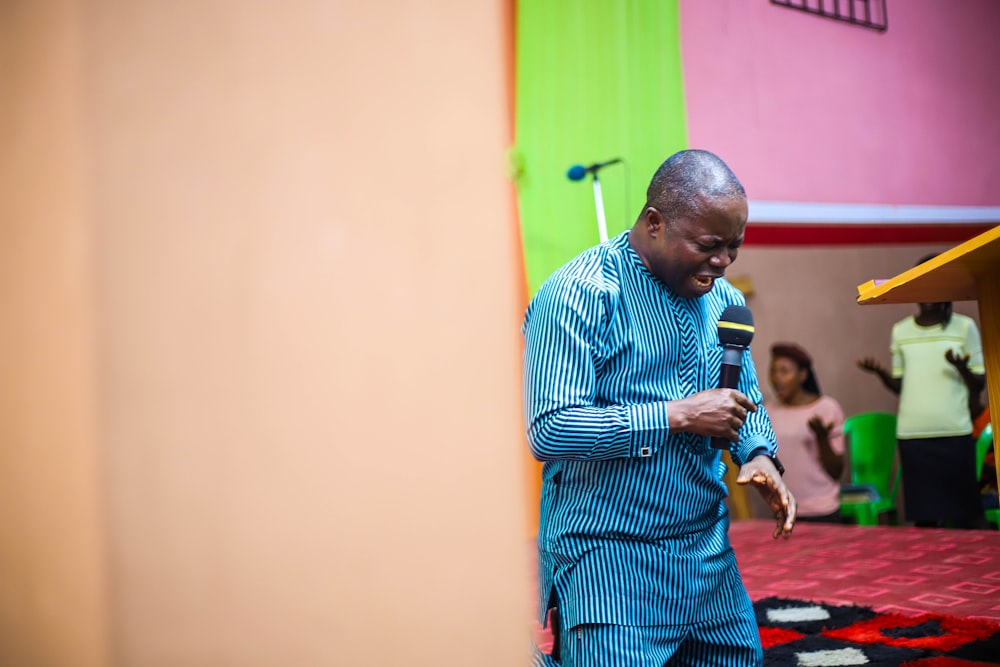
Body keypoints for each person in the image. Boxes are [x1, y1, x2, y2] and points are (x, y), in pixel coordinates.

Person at [522, 149, 796, 667]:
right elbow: (552, 429)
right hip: (610, 554)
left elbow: (745, 400)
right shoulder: (579, 295)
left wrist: (759, 454)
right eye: (709, 245)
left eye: (733, 248)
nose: (722, 262)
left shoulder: (722, 300)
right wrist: (676, 415)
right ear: (654, 223)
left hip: (705, 551)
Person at [857, 255, 986, 528]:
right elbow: (901, 386)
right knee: (924, 519)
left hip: (954, 432)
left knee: (966, 516)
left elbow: (979, 384)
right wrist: (881, 373)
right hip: (913, 435)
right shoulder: (901, 330)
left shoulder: (964, 327)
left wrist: (961, 369)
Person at [767, 342, 846, 523]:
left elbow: (836, 471)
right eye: (773, 371)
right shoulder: (767, 412)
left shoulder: (826, 408)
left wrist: (822, 438)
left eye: (784, 371)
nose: (777, 378)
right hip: (783, 511)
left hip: (822, 511)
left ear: (802, 375)